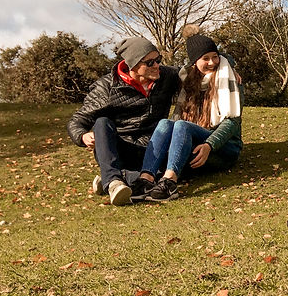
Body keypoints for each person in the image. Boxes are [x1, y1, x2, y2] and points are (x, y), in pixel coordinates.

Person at [68, 37, 181, 206]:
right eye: (150, 63)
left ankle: (114, 177)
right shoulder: (106, 88)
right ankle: (114, 183)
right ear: (133, 65)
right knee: (102, 122)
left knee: (179, 168)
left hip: (154, 149)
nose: (157, 65)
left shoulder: (167, 76)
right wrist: (83, 136)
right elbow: (77, 121)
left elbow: (198, 66)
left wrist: (228, 67)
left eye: (158, 60)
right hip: (120, 149)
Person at [137, 33, 243, 202]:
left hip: (225, 147)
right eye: (205, 58)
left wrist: (209, 145)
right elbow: (159, 70)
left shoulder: (229, 78)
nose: (212, 63)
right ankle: (145, 179)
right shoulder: (186, 78)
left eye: (215, 57)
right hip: (196, 141)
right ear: (194, 61)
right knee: (166, 123)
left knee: (182, 125)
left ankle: (170, 182)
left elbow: (233, 122)